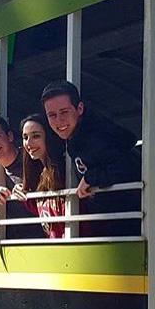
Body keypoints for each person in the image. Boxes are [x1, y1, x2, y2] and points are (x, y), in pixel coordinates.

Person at [41, 80, 140, 236]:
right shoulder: (76, 137)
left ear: (79, 108)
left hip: (126, 223)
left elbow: (127, 167)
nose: (59, 120)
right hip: (109, 221)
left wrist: (90, 178)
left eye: (64, 112)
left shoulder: (97, 135)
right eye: (52, 115)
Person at [13, 114, 67, 238]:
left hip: (76, 247)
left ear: (49, 137)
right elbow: (42, 211)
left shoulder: (66, 169)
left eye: (36, 136)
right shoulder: (39, 174)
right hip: (53, 248)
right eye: (25, 137)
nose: (29, 143)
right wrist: (21, 192)